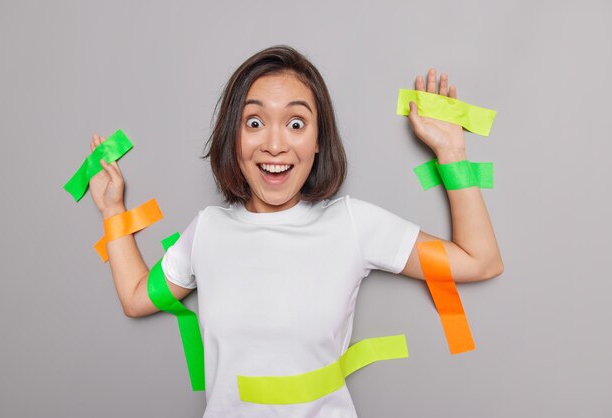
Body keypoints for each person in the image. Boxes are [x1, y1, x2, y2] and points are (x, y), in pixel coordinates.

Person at [88, 45, 503, 418]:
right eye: (254, 122)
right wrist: (112, 211)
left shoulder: (353, 225)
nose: (274, 144)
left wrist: (452, 152)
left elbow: (479, 260)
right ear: (233, 138)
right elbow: (136, 297)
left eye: (296, 124)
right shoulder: (208, 231)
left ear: (319, 140)